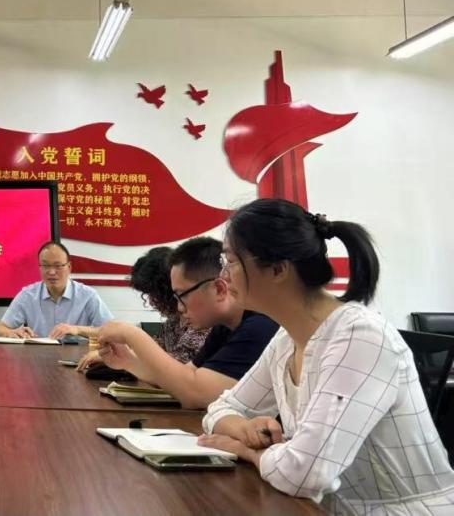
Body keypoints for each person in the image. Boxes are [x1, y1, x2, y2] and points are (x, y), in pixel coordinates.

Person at [198, 199, 454, 513]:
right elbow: (221, 408)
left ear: (278, 269)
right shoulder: (287, 339)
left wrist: (247, 451)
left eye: (230, 261)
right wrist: (244, 429)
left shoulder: (361, 337)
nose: (223, 276)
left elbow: (306, 472)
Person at [95, 237, 278, 409]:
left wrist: (133, 335)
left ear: (219, 289)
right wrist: (128, 361)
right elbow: (181, 378)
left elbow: (195, 394)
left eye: (181, 295)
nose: (179, 308)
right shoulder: (223, 327)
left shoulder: (261, 326)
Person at [77, 246, 208, 371]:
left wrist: (129, 342)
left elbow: (177, 367)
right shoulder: (173, 321)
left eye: (153, 293)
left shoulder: (201, 322)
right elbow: (159, 350)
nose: (150, 301)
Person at [0, 241, 113, 342]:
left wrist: (77, 329)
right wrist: (13, 332)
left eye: (58, 266)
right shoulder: (28, 295)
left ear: (69, 267)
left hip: (77, 359)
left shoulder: (87, 295)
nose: (51, 272)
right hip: (37, 358)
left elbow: (111, 331)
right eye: (45, 266)